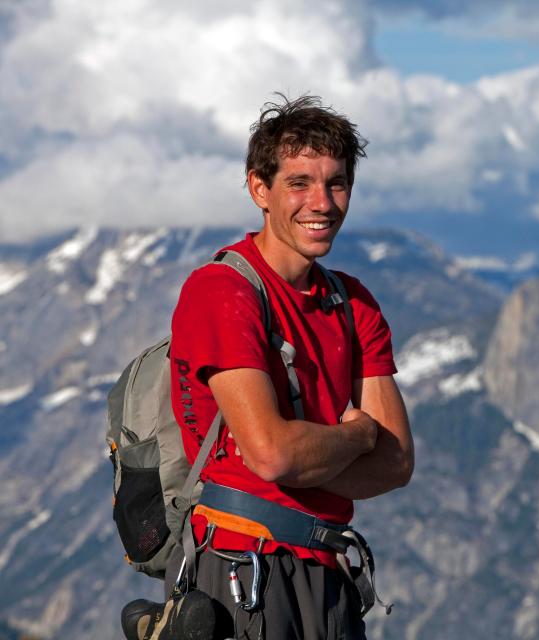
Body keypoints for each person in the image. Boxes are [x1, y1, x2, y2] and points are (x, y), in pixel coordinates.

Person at [167, 94, 414, 639]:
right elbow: (273, 453)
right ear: (260, 188)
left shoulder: (354, 303)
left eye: (337, 183)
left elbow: (395, 464)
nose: (322, 203)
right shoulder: (223, 291)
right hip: (241, 569)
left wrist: (308, 456)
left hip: (327, 570)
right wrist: (358, 434)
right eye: (300, 183)